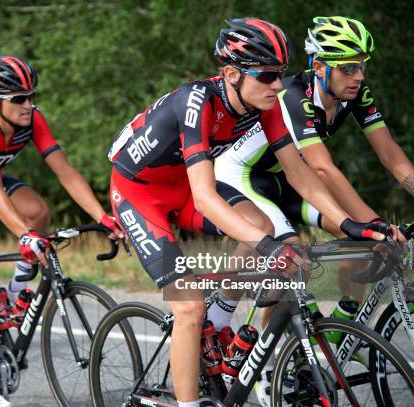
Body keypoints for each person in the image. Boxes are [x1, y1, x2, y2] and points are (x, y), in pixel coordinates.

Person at [108, 18, 386, 407]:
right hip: (141, 195)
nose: (278, 85)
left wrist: (350, 224)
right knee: (188, 305)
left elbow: (299, 174)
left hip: (183, 188)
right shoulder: (197, 102)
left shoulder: (264, 104)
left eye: (282, 75)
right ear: (230, 74)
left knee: (260, 224)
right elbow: (206, 198)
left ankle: (219, 321)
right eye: (268, 75)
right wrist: (270, 246)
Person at [212, 16, 410, 405]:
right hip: (244, 176)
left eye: (362, 65)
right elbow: (322, 168)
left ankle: (325, 341)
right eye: (348, 67)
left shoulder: (354, 95)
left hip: (288, 179)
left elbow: (392, 157)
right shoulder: (292, 95)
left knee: (358, 244)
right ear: (319, 66)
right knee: (292, 253)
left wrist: (370, 228)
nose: (358, 76)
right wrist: (373, 224)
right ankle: (234, 339)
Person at [0, 55, 122, 407]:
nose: (29, 105)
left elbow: (65, 172)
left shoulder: (33, 120)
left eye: (31, 96)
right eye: (19, 99)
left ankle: (17, 289)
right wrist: (23, 235)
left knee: (39, 212)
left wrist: (103, 216)